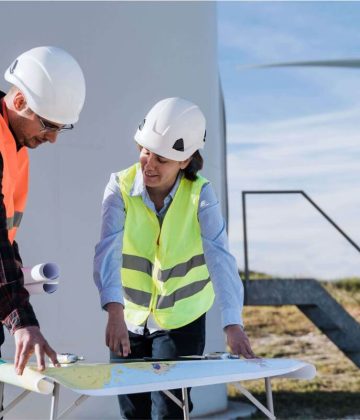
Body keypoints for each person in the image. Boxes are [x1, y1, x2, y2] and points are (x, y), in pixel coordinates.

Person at [94, 97, 254, 419]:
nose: (149, 164)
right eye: (145, 151)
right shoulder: (120, 187)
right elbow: (107, 249)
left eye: (162, 159)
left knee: (168, 411)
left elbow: (219, 255)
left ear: (184, 161)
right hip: (129, 316)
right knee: (131, 411)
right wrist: (114, 310)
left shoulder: (201, 194)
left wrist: (232, 322)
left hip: (181, 320)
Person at [0, 46, 86, 376]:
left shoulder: (14, 148)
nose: (53, 139)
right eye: (49, 125)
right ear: (20, 102)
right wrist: (23, 321)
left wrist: (17, 267)